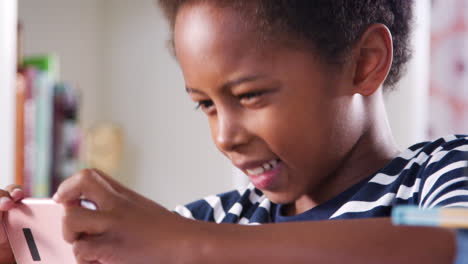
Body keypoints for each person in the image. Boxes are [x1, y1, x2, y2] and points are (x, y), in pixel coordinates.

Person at [1, 0, 468, 263]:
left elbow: (451, 244)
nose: (225, 136)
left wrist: (185, 244)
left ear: (364, 63)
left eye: (250, 96)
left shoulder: (439, 173)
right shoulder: (215, 221)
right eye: (205, 104)